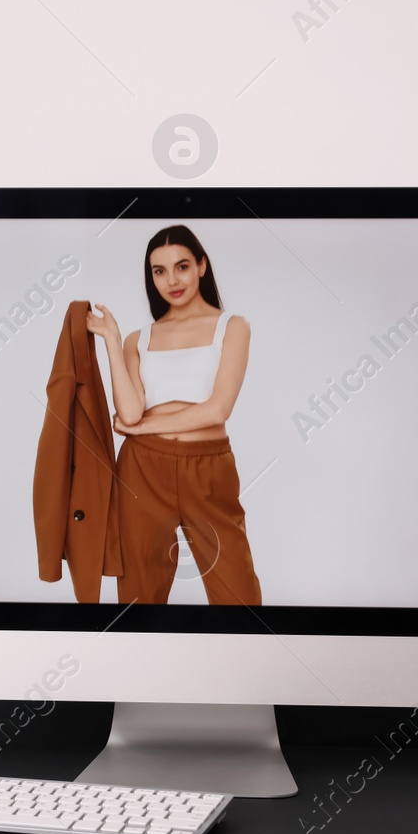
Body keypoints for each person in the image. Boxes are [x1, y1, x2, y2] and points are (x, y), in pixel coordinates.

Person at [86, 225, 264, 605]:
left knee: (238, 595)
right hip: (142, 469)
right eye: (159, 271)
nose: (172, 280)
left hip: (208, 468)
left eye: (182, 266)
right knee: (138, 595)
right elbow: (130, 412)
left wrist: (144, 426)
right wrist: (113, 342)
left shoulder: (232, 327)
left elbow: (218, 409)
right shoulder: (139, 338)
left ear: (202, 265)